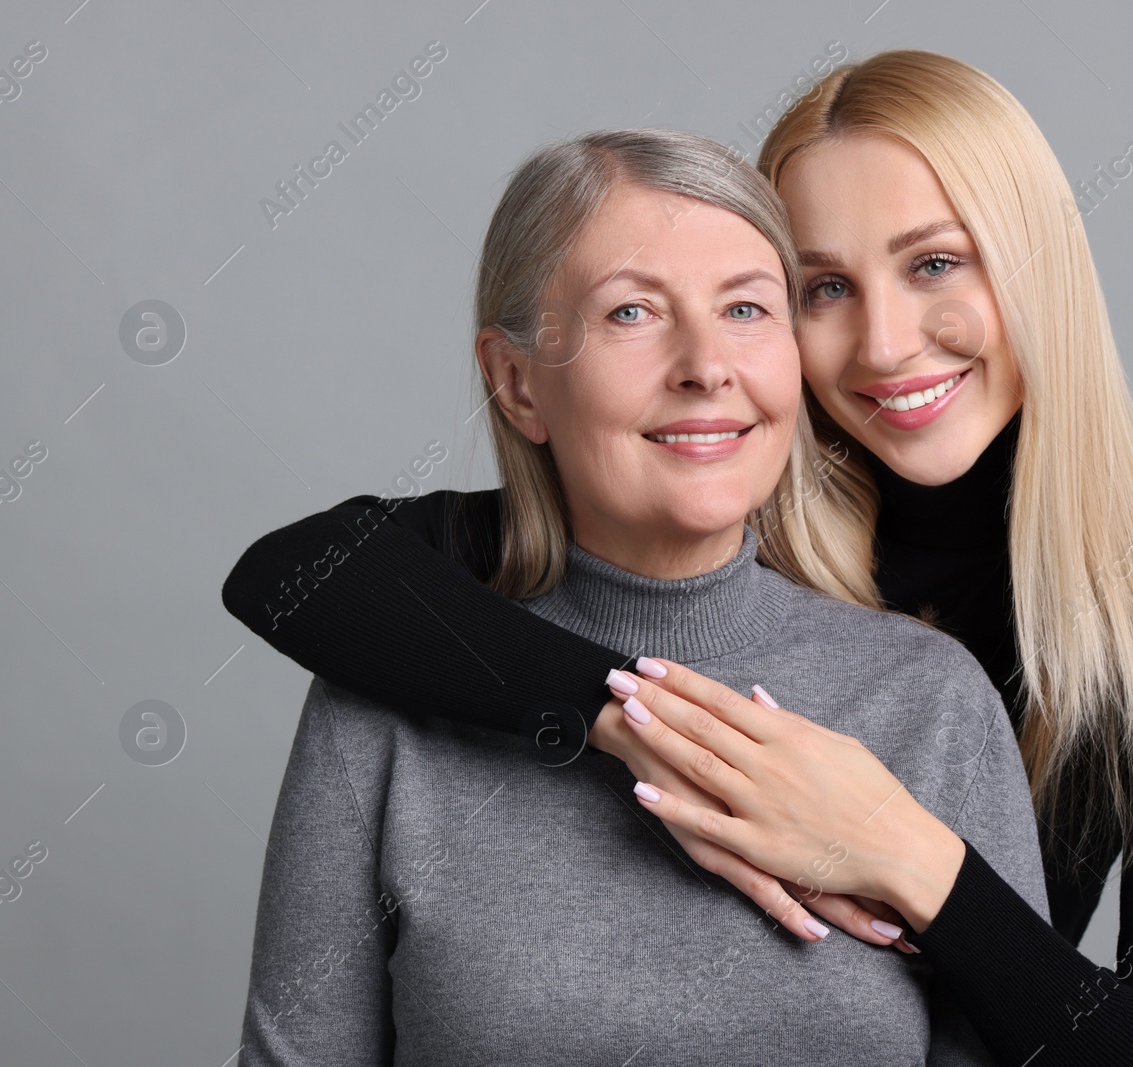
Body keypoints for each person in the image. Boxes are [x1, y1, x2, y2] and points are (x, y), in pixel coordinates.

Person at [224, 52, 1133, 1066]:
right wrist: (626, 722)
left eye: (935, 261)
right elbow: (298, 571)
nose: (883, 343)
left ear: (1041, 274)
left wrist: (903, 850)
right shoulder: (705, 503)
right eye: (822, 288)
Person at [236, 127, 1048, 1067]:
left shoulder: (928, 699)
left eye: (747, 309)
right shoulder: (383, 695)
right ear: (516, 382)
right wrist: (615, 711)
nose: (707, 364)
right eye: (632, 313)